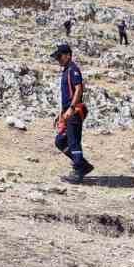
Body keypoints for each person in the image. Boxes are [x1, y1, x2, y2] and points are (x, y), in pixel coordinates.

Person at [51, 43, 94, 183]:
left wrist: (71, 108)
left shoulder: (73, 70)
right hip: (67, 112)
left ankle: (78, 170)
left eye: (59, 56)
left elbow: (78, 89)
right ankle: (83, 164)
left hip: (74, 112)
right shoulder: (66, 71)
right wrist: (60, 114)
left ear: (68, 55)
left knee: (74, 141)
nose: (58, 60)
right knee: (60, 141)